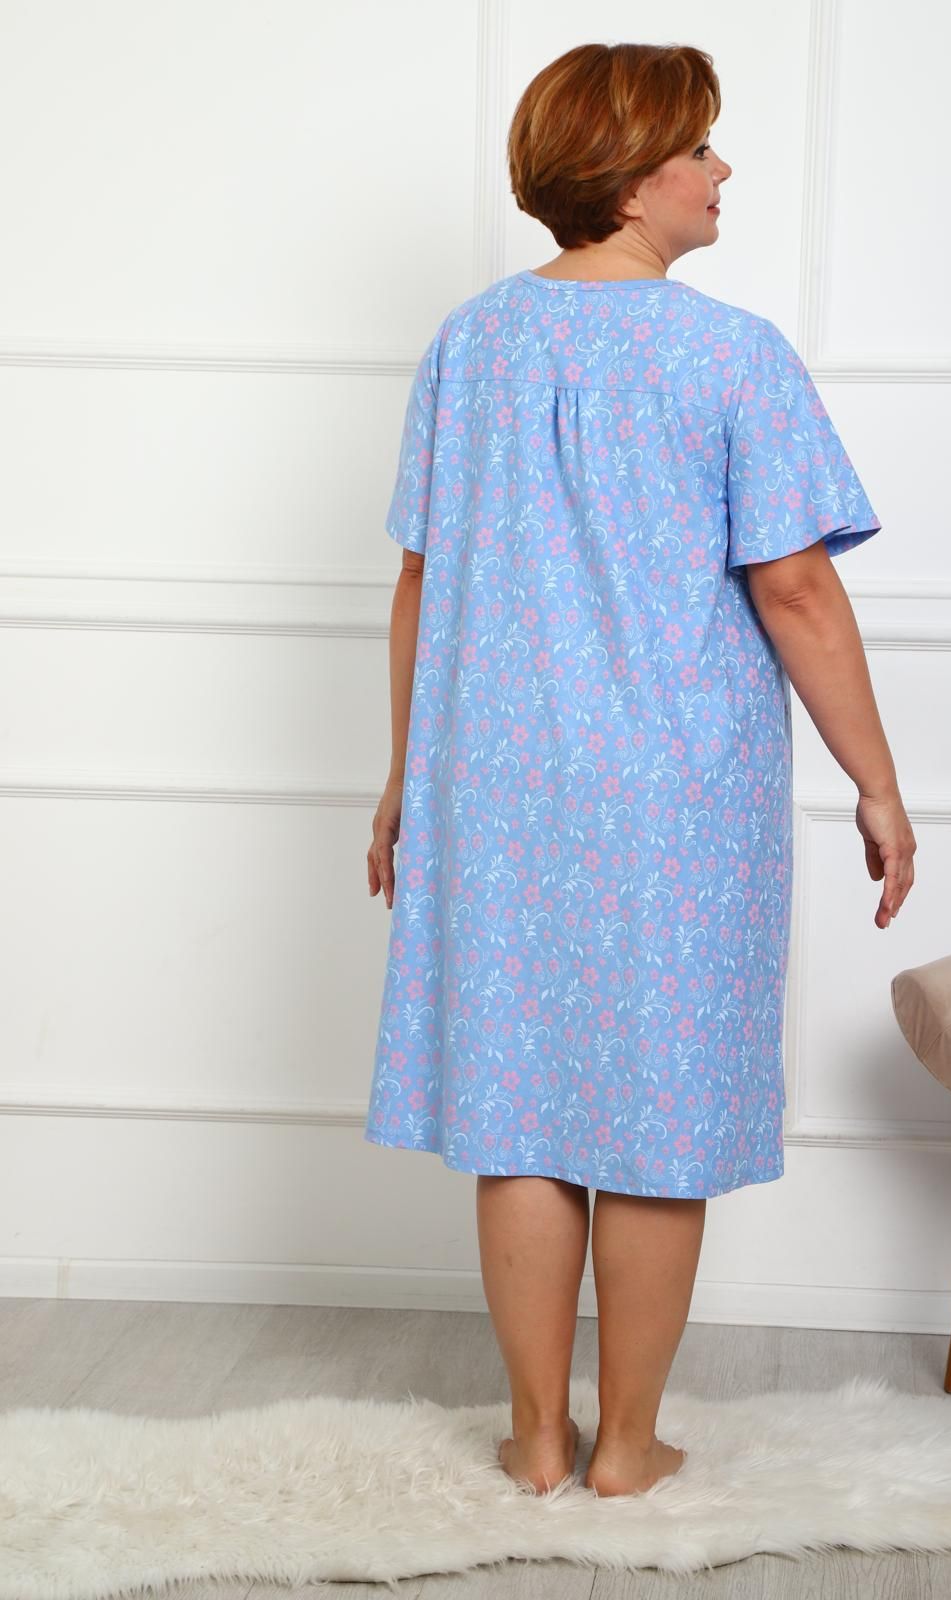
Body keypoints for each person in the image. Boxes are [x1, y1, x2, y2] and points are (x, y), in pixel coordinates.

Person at [364, 42, 917, 1499]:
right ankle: (626, 1446)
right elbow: (795, 587)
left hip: (495, 785)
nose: (723, 170)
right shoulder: (730, 354)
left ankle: (536, 1441)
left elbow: (421, 579)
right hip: (680, 798)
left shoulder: (471, 344)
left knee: (521, 1114)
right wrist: (876, 781)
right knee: (660, 1120)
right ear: (627, 174)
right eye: (701, 148)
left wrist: (406, 774)